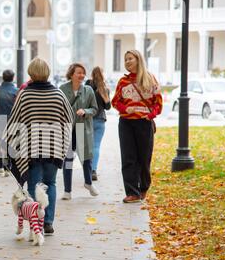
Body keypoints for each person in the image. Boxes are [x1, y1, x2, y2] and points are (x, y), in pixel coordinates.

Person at [3, 57, 74, 236]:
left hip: (31, 150)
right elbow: (69, 120)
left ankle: (37, 224)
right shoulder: (58, 95)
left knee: (35, 186)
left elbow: (13, 122)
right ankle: (48, 222)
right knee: (50, 183)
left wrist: (7, 146)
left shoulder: (26, 95)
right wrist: (62, 142)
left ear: (32, 74)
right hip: (53, 149)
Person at [111, 50, 163, 203]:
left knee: (144, 158)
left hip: (144, 123)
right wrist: (124, 109)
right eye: (125, 59)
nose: (127, 62)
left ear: (138, 60)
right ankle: (132, 192)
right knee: (128, 158)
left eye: (130, 59)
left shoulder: (150, 79)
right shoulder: (123, 81)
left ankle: (143, 188)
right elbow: (115, 101)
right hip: (126, 123)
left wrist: (150, 115)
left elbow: (158, 103)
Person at [60, 63, 99, 200]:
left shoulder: (88, 90)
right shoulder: (63, 89)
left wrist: (85, 111)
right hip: (68, 129)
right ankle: (67, 191)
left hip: (82, 128)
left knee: (86, 158)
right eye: (78, 72)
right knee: (68, 159)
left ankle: (88, 183)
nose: (82, 75)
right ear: (71, 74)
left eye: (83, 72)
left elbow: (95, 109)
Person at [0, 69, 18, 176]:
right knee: (9, 145)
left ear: (3, 77)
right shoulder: (16, 91)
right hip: (11, 122)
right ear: (13, 78)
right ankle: (7, 168)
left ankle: (0, 167)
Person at [85, 67, 111, 181]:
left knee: (87, 147)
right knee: (96, 146)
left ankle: (87, 169)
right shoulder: (105, 88)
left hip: (88, 119)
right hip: (100, 120)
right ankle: (93, 170)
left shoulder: (87, 86)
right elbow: (108, 107)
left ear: (92, 74)